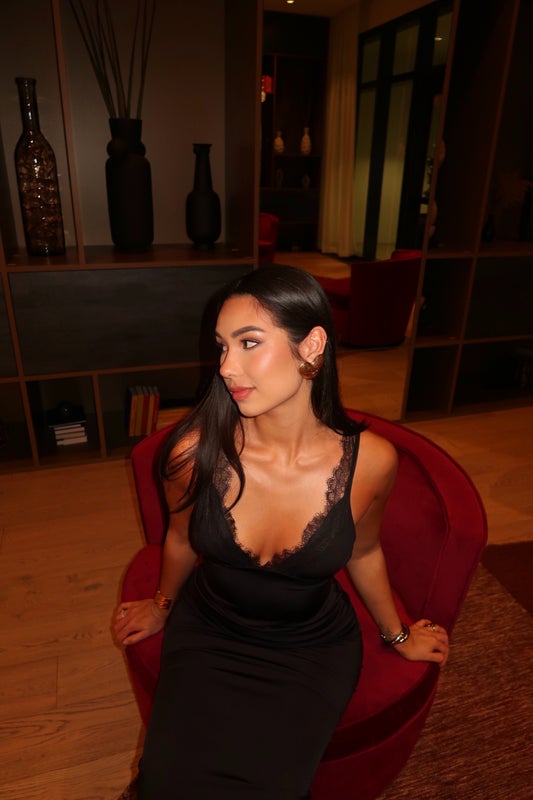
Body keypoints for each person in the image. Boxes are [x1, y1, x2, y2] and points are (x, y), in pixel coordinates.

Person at [114, 264, 449, 799]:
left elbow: (364, 551)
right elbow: (178, 539)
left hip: (311, 646)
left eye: (249, 342)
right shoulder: (192, 454)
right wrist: (161, 605)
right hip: (210, 632)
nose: (226, 367)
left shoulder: (372, 462)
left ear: (311, 346)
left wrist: (399, 635)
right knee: (165, 783)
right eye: (222, 347)